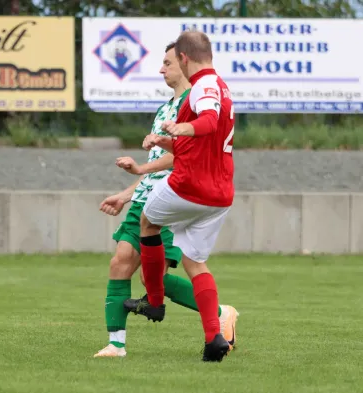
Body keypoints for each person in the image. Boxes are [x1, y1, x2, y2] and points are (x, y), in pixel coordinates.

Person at [93, 42, 238, 358]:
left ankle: (218, 314)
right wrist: (126, 193)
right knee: (121, 263)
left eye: (167, 62)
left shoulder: (196, 101)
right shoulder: (164, 109)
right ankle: (116, 344)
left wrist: (145, 165)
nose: (161, 69)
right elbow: (164, 157)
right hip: (148, 197)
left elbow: (187, 158)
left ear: (184, 63)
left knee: (150, 275)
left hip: (176, 198)